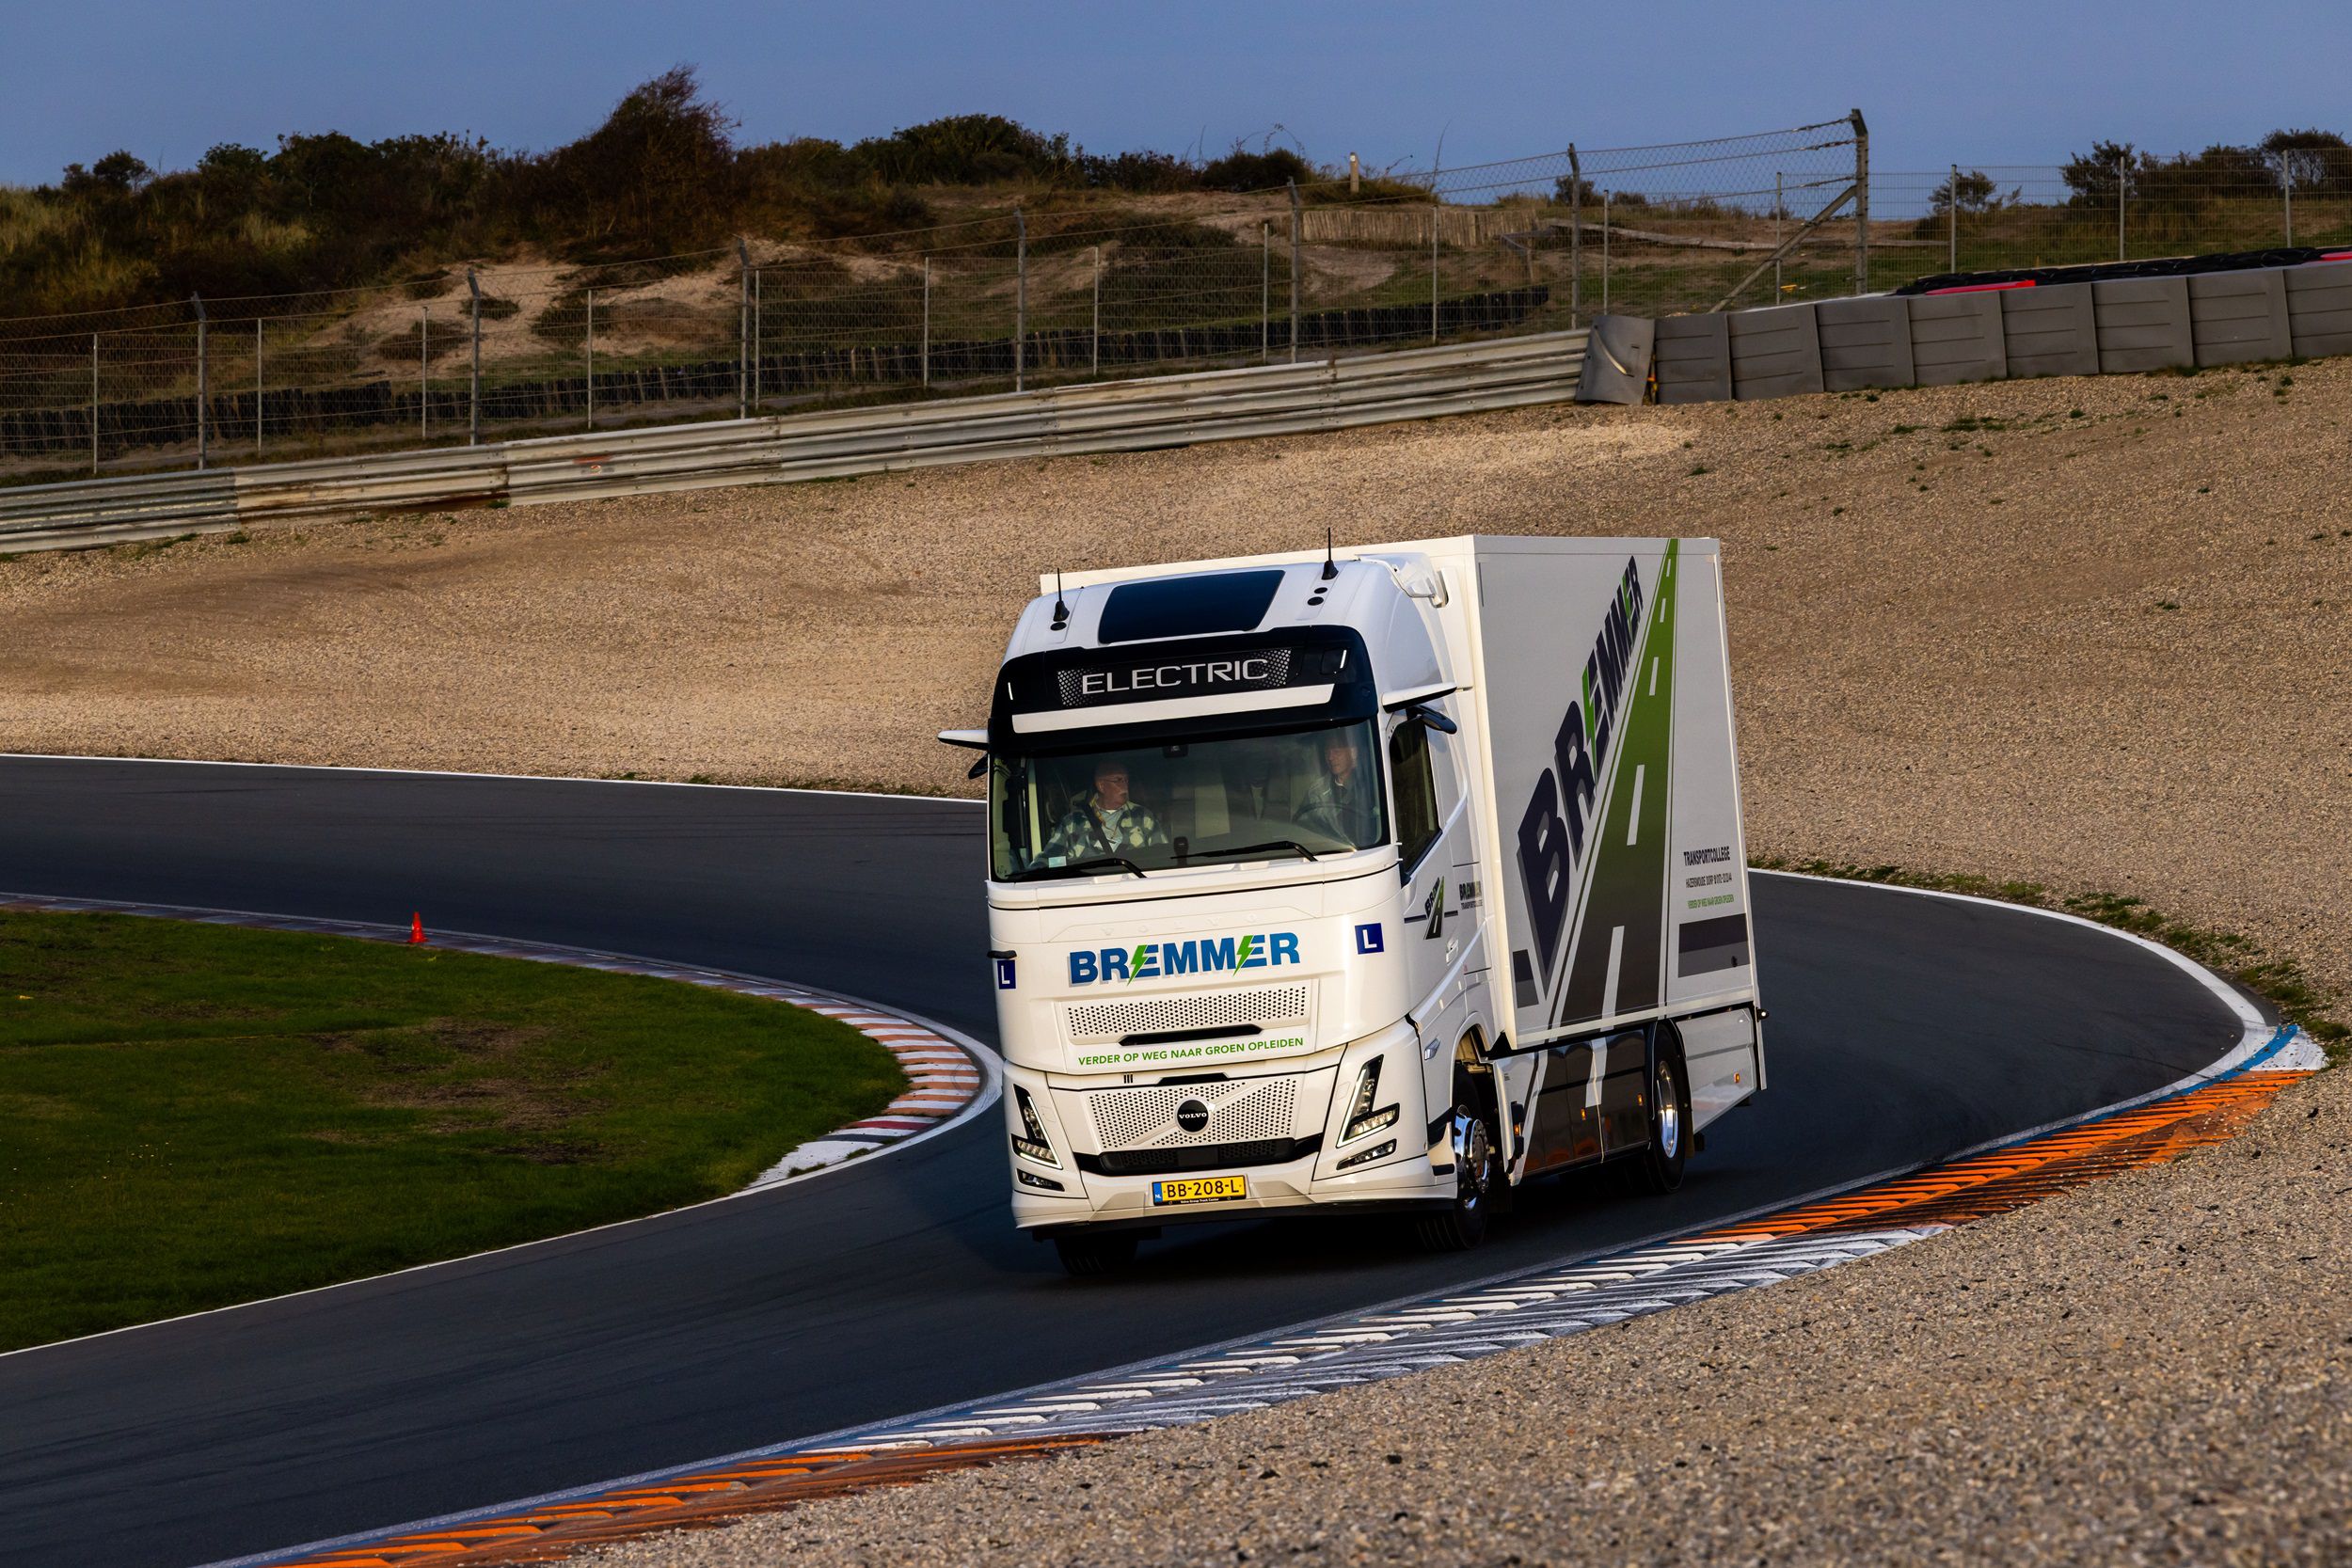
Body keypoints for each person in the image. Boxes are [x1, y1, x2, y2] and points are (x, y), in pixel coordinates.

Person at [1044, 759, 1167, 862]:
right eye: (1118, 780)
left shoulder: (1143, 817)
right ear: (1101, 786)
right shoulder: (1073, 823)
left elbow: (1162, 857)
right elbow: (1049, 862)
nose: (1124, 786)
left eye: (1126, 780)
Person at [1297, 731, 1379, 847]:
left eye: (1337, 751)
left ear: (1353, 753)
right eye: (1327, 752)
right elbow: (1302, 825)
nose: (1330, 757)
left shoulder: (1370, 787)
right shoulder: (1316, 790)